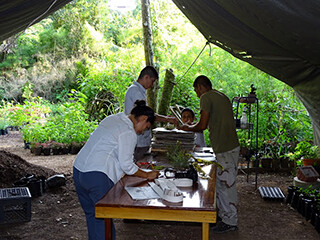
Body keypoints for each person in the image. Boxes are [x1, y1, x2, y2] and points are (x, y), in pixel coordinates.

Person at [73, 100, 159, 240]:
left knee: (92, 215)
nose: (143, 131)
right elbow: (126, 165)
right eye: (146, 126)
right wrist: (147, 175)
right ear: (143, 118)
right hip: (97, 175)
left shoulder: (114, 118)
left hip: (79, 170)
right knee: (104, 221)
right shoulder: (128, 132)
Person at [178, 75, 240, 233]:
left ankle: (230, 221)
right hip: (226, 146)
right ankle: (223, 216)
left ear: (200, 87)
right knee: (221, 182)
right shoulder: (221, 95)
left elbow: (202, 125)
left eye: (196, 90)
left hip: (225, 147)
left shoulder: (206, 97)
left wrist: (187, 128)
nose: (197, 94)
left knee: (227, 184)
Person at [125, 66, 177, 161]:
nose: (152, 85)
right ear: (146, 77)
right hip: (138, 141)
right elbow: (147, 115)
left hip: (141, 140)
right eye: (152, 81)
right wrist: (168, 119)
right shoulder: (135, 91)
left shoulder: (139, 91)